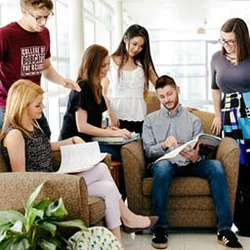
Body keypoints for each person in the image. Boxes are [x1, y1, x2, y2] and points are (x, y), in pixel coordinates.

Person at [0, 79, 158, 245]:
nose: (43, 108)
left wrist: (73, 140)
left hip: (53, 181)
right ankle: (128, 219)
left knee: (108, 186)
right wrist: (65, 177)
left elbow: (46, 147)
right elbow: (21, 179)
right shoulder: (15, 135)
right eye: (38, 105)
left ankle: (117, 243)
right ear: (23, 106)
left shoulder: (33, 124)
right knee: (102, 170)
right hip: (44, 191)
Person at [142, 75, 242, 249]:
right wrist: (164, 146)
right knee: (163, 167)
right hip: (165, 165)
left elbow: (200, 145)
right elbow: (148, 151)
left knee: (216, 167)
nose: (167, 99)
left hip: (191, 164)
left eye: (170, 93)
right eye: (162, 96)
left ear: (177, 90)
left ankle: (225, 230)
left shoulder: (193, 120)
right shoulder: (150, 120)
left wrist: (197, 156)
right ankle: (160, 228)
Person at [0, 0, 80, 138]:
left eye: (47, 16)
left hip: (34, 103)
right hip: (8, 106)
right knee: (14, 146)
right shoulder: (5, 35)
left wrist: (62, 81)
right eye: (38, 17)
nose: (43, 22)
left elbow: (46, 66)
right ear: (24, 12)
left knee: (45, 138)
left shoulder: (44, 33)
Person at [210, 17, 250, 237]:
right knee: (236, 166)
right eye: (222, 40)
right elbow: (215, 89)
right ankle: (240, 222)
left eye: (231, 42)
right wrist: (217, 115)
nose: (225, 45)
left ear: (242, 40)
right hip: (230, 117)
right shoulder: (217, 58)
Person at [59, 44, 132, 162]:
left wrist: (109, 129)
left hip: (89, 141)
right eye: (103, 65)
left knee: (125, 149)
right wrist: (110, 133)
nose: (107, 69)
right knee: (119, 154)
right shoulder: (81, 88)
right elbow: (82, 126)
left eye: (108, 64)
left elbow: (93, 121)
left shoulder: (97, 88)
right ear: (92, 66)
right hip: (75, 144)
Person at [101, 24, 158, 135]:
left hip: (138, 118)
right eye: (134, 44)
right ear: (125, 39)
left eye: (141, 46)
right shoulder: (110, 62)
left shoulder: (143, 64)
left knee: (135, 151)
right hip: (115, 119)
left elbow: (160, 86)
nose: (137, 49)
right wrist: (111, 115)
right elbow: (102, 93)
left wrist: (176, 105)